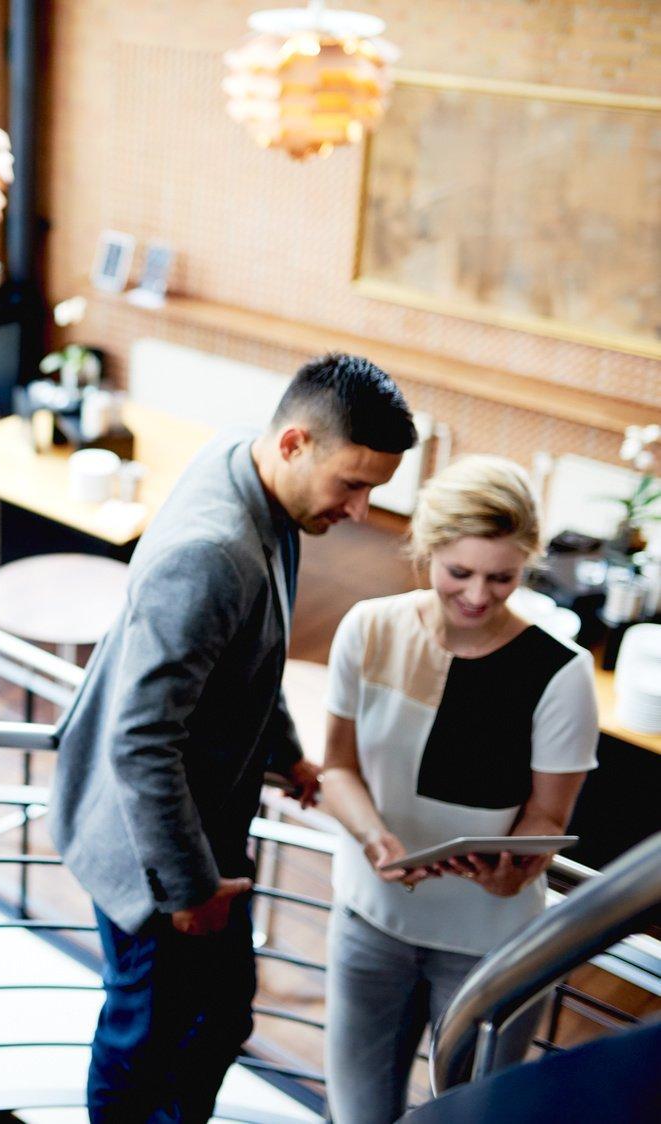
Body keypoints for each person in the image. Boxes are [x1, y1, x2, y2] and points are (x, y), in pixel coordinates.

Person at [49, 353, 418, 1123]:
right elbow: (141, 740)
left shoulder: (241, 459)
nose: (358, 510)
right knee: (142, 1039)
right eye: (351, 484)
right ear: (292, 444)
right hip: (156, 853)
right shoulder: (212, 553)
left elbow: (247, 659)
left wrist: (285, 755)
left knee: (217, 1019)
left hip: (202, 831)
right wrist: (187, 892)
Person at [318, 455, 598, 1124]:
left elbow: (546, 814)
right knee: (357, 1115)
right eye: (459, 572)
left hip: (490, 939)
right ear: (426, 548)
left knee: (472, 1117)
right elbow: (334, 767)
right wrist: (371, 836)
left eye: (501, 577)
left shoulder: (560, 673)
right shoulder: (368, 627)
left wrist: (511, 871)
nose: (477, 595)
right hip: (369, 918)